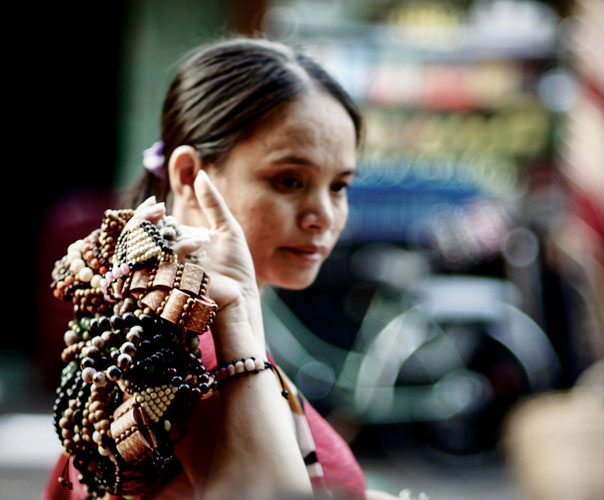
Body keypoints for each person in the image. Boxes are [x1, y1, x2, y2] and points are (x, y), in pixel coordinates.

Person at [44, 37, 400, 500]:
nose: (323, 216)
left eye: (338, 186)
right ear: (190, 175)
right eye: (289, 180)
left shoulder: (157, 332)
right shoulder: (176, 358)